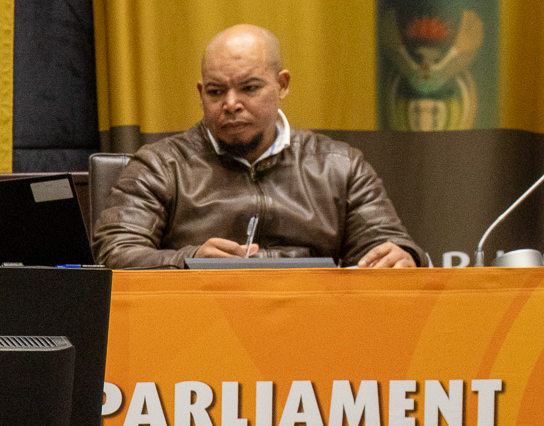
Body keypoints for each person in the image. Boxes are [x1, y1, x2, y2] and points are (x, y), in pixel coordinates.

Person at [93, 24, 423, 269]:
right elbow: (114, 253)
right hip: (201, 323)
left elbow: (387, 244)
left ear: (282, 85)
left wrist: (403, 256)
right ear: (201, 93)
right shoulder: (161, 165)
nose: (231, 104)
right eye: (215, 92)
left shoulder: (339, 166)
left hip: (314, 322)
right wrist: (188, 260)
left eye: (249, 88)